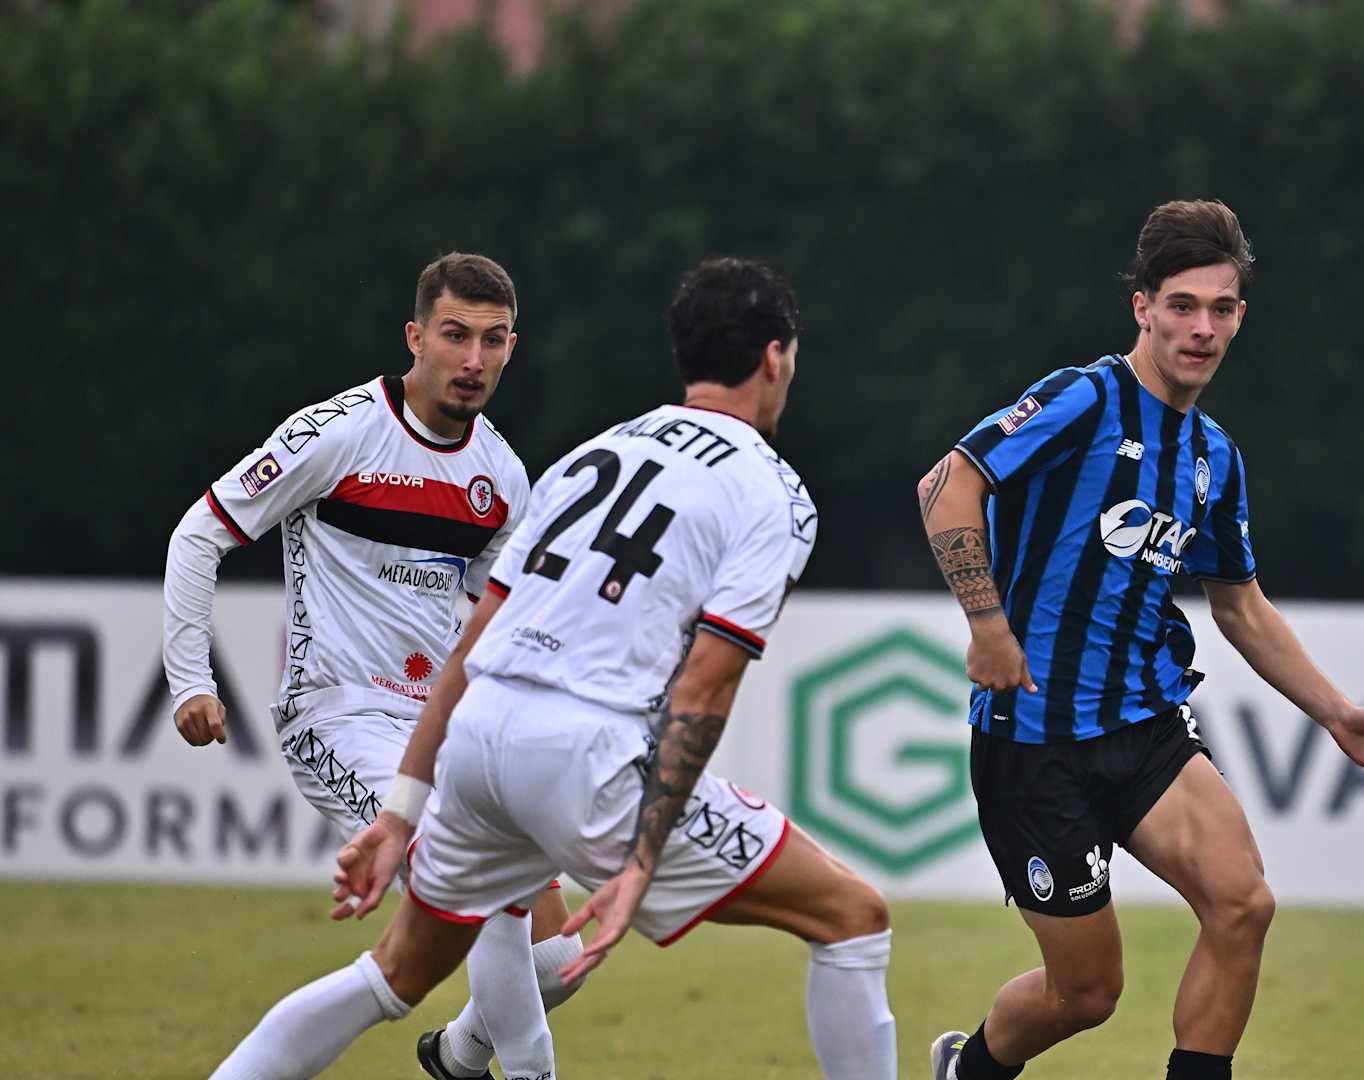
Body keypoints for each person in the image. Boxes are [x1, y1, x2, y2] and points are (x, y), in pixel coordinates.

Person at [206, 256, 898, 1080]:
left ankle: (452, 1057)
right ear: (776, 358)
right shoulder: (772, 490)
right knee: (853, 918)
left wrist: (400, 815)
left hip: (479, 740)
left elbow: (475, 644)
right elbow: (706, 684)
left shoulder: (588, 457)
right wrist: (642, 859)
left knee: (391, 976)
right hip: (590, 755)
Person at [918, 201, 1364, 1080]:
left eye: (1221, 309)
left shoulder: (1214, 456)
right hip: (1033, 739)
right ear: (1142, 307)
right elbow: (946, 483)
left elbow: (1242, 606)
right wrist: (988, 625)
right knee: (1086, 993)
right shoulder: (1085, 399)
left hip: (1145, 723)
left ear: (1240, 316)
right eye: (1182, 306)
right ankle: (971, 1071)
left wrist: (1337, 714)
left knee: (1243, 904)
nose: (1202, 329)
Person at [162, 252, 584, 1079]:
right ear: (415, 337)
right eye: (455, 335)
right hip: (337, 712)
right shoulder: (339, 432)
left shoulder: (501, 477)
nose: (472, 359)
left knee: (560, 956)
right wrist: (190, 681)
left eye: (492, 340)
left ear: (511, 347)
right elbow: (199, 534)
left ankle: (458, 1056)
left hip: (440, 730)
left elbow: (502, 628)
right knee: (484, 900)